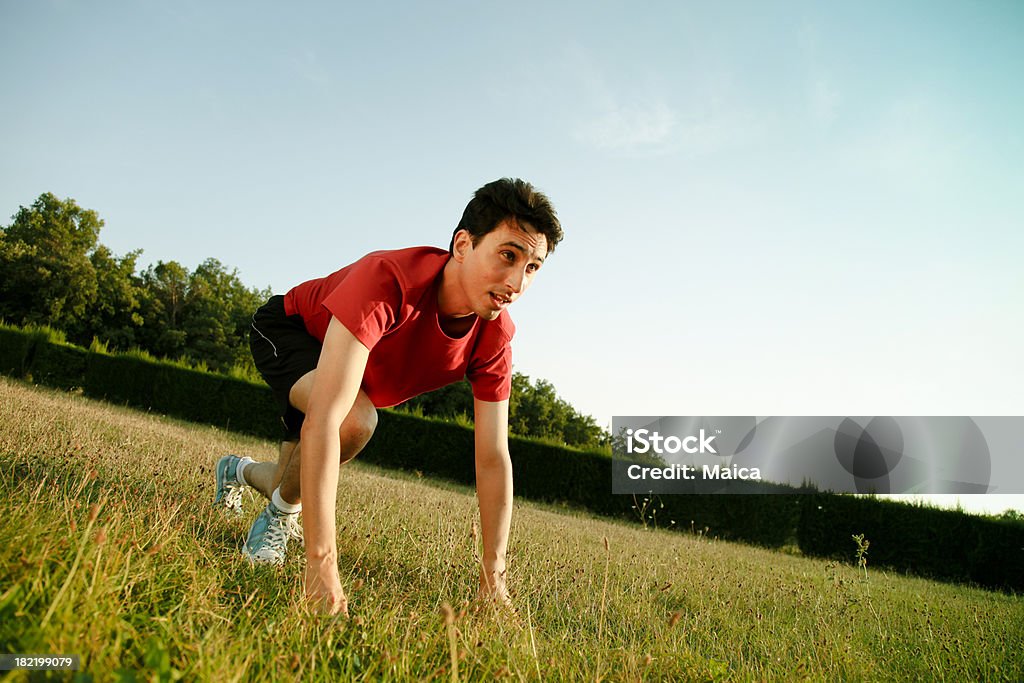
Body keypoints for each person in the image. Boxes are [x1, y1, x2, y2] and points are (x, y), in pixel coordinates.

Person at [214, 178, 562, 616]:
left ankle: (237, 470)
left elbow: (493, 457)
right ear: (462, 244)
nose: (516, 282)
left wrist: (494, 580)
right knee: (354, 422)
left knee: (288, 477)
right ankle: (276, 522)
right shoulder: (389, 280)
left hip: (347, 382)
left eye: (532, 268)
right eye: (508, 255)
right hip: (292, 333)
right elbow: (324, 418)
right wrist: (322, 566)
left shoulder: (494, 337)